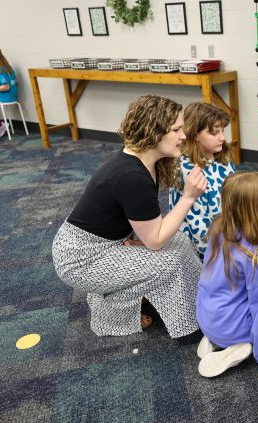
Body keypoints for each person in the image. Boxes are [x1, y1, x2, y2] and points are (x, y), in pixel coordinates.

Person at [52, 95, 207, 338]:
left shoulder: (145, 163)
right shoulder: (131, 175)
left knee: (180, 242)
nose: (183, 136)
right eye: (176, 129)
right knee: (167, 262)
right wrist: (188, 197)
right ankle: (109, 312)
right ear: (153, 131)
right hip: (81, 258)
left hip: (106, 241)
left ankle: (206, 298)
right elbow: (155, 241)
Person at [195, 172, 258, 386]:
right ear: (257, 209)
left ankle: (213, 339)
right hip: (231, 326)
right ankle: (238, 346)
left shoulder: (218, 227)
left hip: (208, 315)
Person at [168, 102, 235, 257]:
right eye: (214, 133)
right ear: (195, 134)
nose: (222, 138)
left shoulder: (222, 157)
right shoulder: (188, 171)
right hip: (204, 248)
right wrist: (224, 252)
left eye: (222, 131)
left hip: (227, 231)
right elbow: (197, 226)